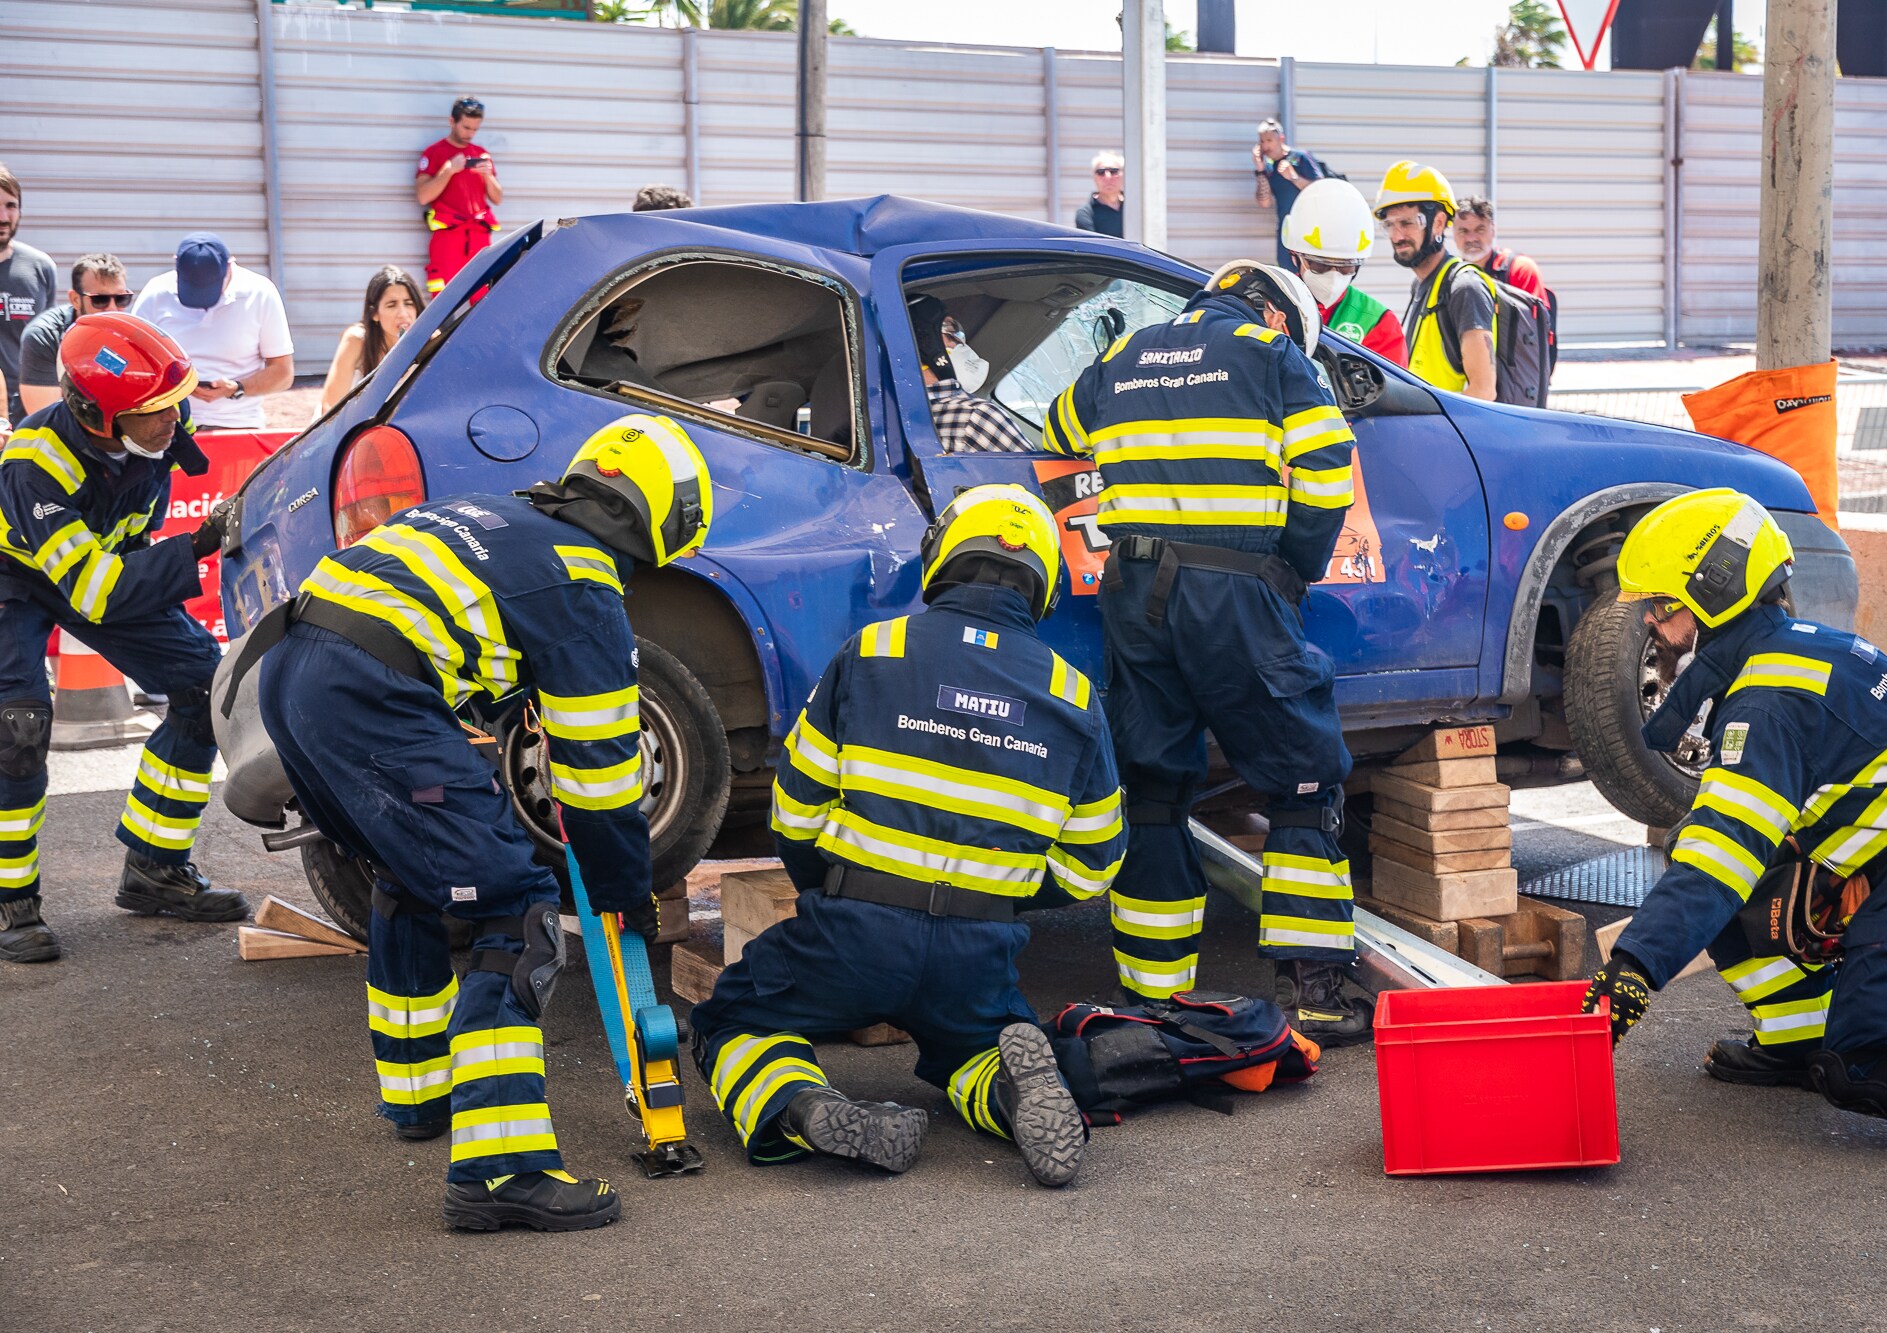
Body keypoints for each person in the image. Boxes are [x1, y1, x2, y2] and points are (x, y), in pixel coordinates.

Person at [246, 413, 712, 1232]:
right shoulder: (582, 581)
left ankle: (421, 1095)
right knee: (518, 910)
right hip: (368, 695)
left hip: (291, 673)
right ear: (662, 528)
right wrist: (625, 890)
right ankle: (502, 1173)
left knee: (410, 877)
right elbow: (600, 784)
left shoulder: (496, 515)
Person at [691, 484, 1124, 1187]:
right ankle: (1012, 1092)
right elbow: (1092, 865)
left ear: (942, 557)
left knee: (733, 1018)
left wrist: (829, 894)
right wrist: (1000, 896)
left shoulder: (873, 650)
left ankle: (800, 1103)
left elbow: (795, 810)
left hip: (855, 928)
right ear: (1041, 581)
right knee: (975, 1049)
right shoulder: (1076, 695)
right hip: (977, 946)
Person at [1584, 488, 1887, 1134]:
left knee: (1861, 1064)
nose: (1649, 625)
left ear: (1713, 599)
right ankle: (1796, 1037)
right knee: (1697, 847)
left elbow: (1719, 862)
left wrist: (1630, 971)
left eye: (1662, 608)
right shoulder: (1786, 651)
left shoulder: (1767, 702)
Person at [1043, 260, 1371, 1044]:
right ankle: (1319, 992)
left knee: (1153, 786)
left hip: (1133, 589)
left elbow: (1058, 430)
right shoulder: (1274, 356)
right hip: (1235, 592)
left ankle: (1155, 1000)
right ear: (1279, 314)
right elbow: (1329, 476)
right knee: (1302, 776)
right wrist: (1290, 566)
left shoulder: (1119, 360)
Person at [0, 314, 239, 965]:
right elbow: (93, 591)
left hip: (108, 558)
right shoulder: (35, 464)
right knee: (17, 723)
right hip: (17, 575)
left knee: (202, 689)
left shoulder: (155, 422)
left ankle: (155, 871)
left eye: (175, 400)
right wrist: (198, 546)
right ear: (96, 414)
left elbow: (117, 557)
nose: (173, 418)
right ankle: (10, 898)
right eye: (153, 410)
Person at [131, 234, 295, 430]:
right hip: (169, 427)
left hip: (238, 423)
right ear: (176, 264)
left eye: (209, 288)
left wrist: (237, 388)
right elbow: (134, 363)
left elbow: (283, 374)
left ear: (230, 266)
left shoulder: (260, 293)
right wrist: (176, 385)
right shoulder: (155, 293)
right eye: (192, 288)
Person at [1373, 162, 1496, 401]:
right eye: (1390, 225)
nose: (1397, 236)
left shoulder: (1465, 288)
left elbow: (1483, 391)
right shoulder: (1422, 286)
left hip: (1451, 437)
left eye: (1407, 223)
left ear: (1438, 223)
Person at [1282, 179, 1406, 367]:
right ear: (1295, 256)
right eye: (1320, 265)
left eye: (1345, 266)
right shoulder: (1269, 307)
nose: (1333, 276)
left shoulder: (1378, 323)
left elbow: (1394, 393)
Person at [907, 295, 1029, 454]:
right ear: (924, 343)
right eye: (950, 330)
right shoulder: (977, 417)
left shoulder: (895, 415)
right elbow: (1038, 477)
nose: (959, 341)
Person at [17, 254, 132, 418]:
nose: (112, 309)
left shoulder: (128, 332)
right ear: (75, 299)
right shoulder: (45, 336)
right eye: (100, 300)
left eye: (121, 299)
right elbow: (44, 417)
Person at [415, 96, 502, 296]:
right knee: (443, 300)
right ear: (452, 121)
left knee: (483, 298)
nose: (470, 134)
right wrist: (449, 170)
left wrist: (488, 176)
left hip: (479, 238)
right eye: (466, 127)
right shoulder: (435, 153)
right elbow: (422, 196)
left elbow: (497, 198)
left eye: (475, 129)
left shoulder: (481, 154)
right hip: (448, 239)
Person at [319, 266, 426, 413]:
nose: (403, 313)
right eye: (391, 305)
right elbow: (330, 406)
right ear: (374, 313)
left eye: (408, 303)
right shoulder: (357, 339)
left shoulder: (430, 341)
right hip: (348, 428)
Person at [0, 163, 59, 428]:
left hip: (29, 409)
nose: (3, 216)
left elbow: (49, 343)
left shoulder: (40, 267)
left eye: (11, 206)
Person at [1251, 120, 1331, 268]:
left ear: (1281, 139)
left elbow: (1322, 190)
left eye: (1269, 140)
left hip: (1310, 230)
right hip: (1287, 232)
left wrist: (1294, 177)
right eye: (1262, 141)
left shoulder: (1300, 157)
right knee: (1288, 274)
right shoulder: (1269, 167)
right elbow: (1264, 202)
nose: (1265, 145)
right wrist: (1260, 169)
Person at [1451, 196, 1547, 303]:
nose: (1471, 238)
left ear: (1493, 230)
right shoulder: (1449, 276)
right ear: (1453, 234)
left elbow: (1538, 317)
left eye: (1480, 230)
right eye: (1463, 231)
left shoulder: (1520, 269)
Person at [1074, 151, 1124, 237]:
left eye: (1114, 171)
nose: (1108, 177)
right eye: (1101, 172)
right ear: (1094, 178)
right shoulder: (1086, 213)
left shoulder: (1136, 207)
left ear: (1123, 175)